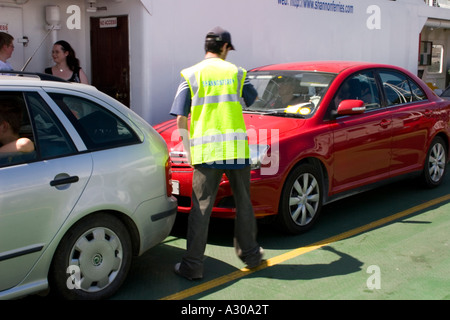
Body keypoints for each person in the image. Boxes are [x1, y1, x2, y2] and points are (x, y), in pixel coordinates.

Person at [170, 26, 263, 280]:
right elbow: (253, 101)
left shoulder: (190, 74)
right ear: (224, 48)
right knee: (243, 204)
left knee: (201, 210)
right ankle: (252, 256)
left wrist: (188, 152)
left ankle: (192, 266)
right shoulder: (237, 73)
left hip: (205, 152)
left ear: (206, 47)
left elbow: (180, 119)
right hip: (236, 150)